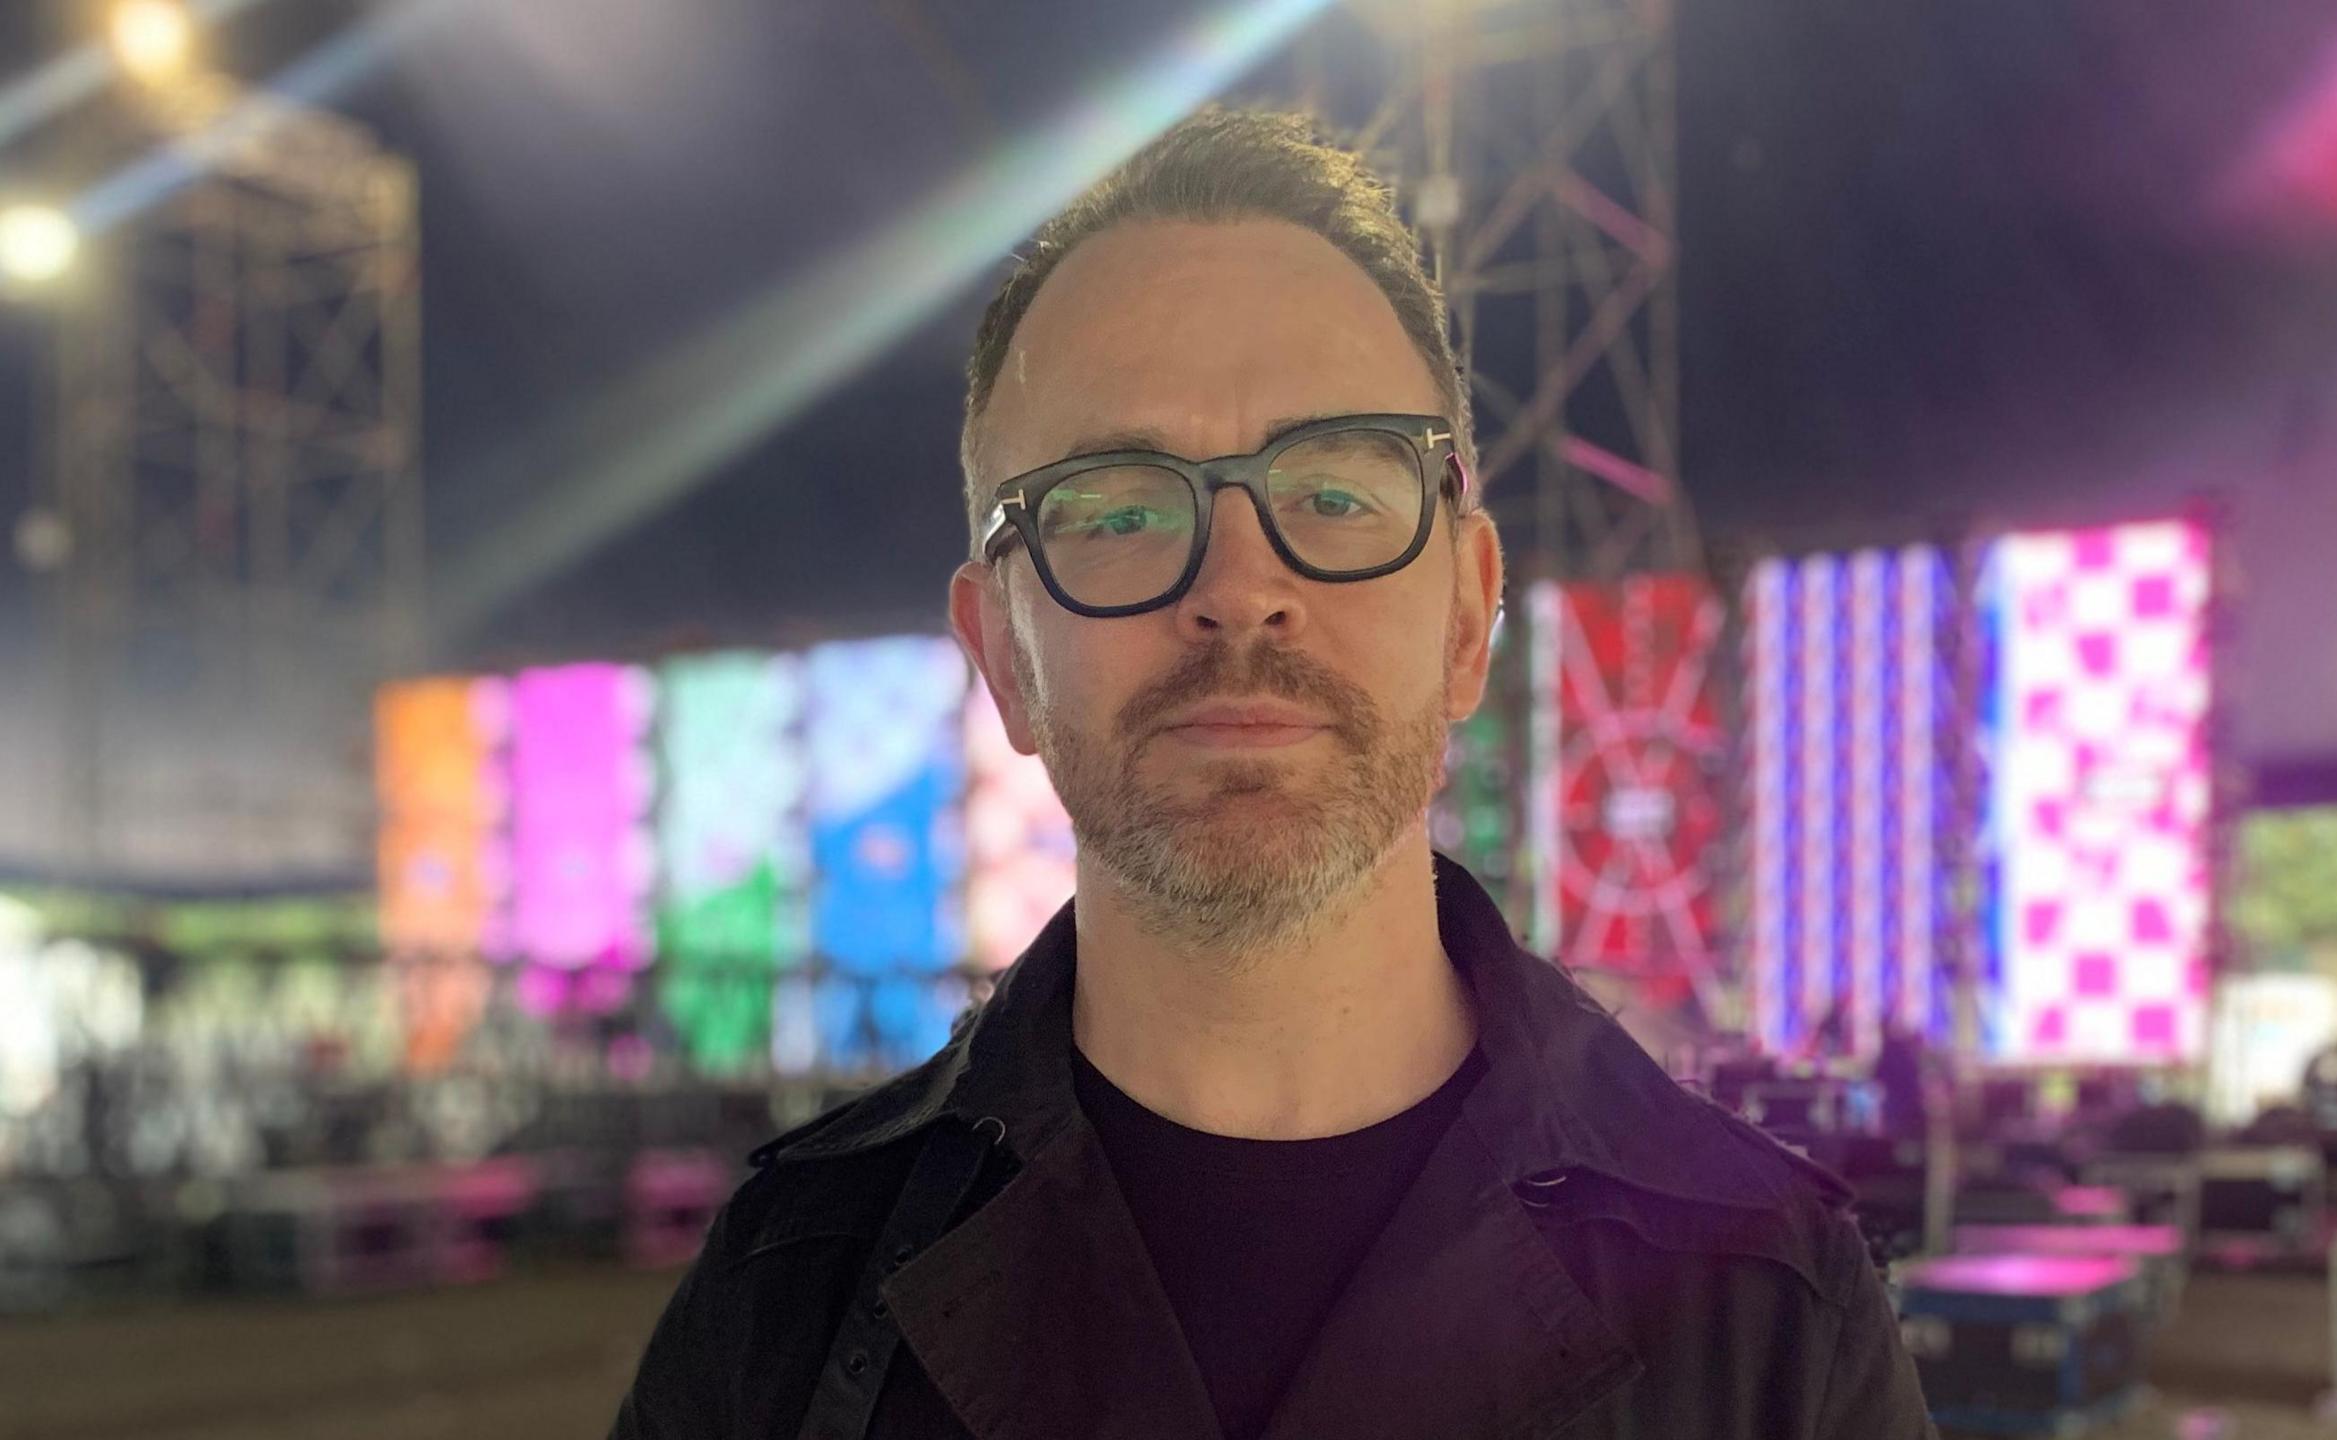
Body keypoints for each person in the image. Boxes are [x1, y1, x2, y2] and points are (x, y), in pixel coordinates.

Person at [610, 108, 1932, 1440]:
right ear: (1001, 656)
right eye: (1119, 510)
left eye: (1338, 494)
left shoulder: (1774, 1314)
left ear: (1470, 617)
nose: (1241, 591)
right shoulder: (780, 1305)